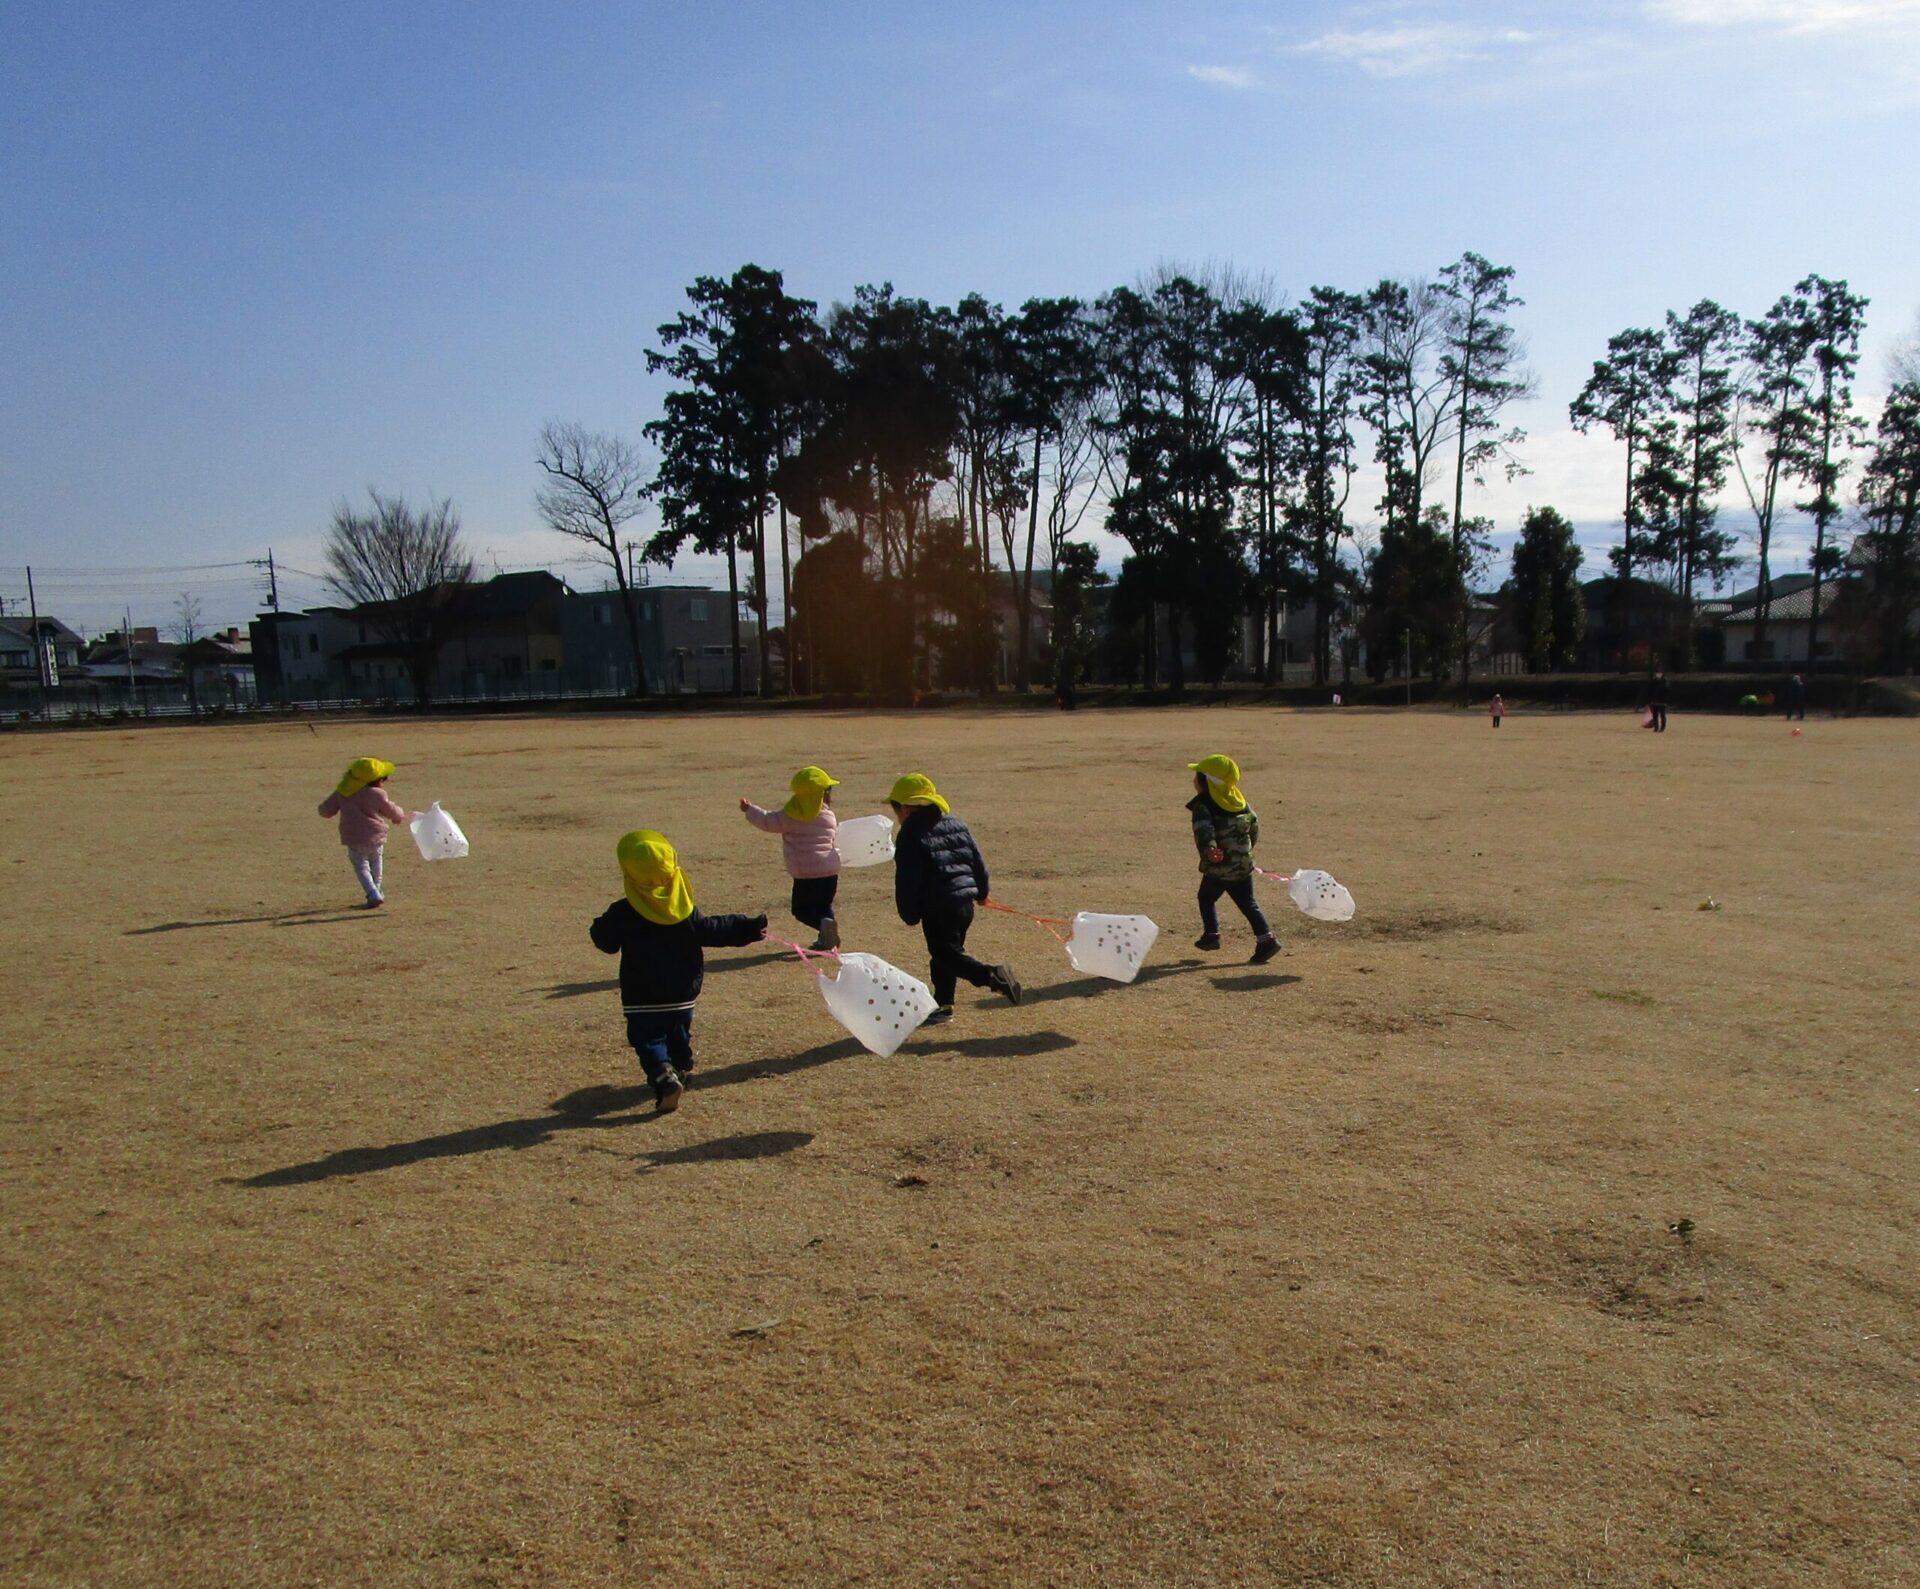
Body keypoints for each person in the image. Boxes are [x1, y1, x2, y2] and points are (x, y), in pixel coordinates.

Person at [589, 830, 767, 1114]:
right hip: (682, 992)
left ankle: (663, 1074)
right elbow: (714, 929)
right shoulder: (683, 910)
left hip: (642, 994)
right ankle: (682, 1067)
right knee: (677, 1032)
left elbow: (605, 941)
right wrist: (748, 927)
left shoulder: (623, 912)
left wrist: (599, 928)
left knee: (647, 1038)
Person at [887, 773, 1021, 1026]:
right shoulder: (955, 823)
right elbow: (977, 860)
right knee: (945, 955)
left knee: (946, 954)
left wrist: (909, 913)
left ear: (904, 807)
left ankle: (992, 976)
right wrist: (982, 892)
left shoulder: (910, 834)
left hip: (937, 906)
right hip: (964, 904)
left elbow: (908, 879)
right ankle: (943, 1004)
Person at [1187, 754, 1281, 965]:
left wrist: (1210, 850)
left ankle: (1212, 935)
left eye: (1197, 777)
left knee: (1206, 897)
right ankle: (1267, 940)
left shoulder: (1204, 805)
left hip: (1221, 867)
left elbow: (1204, 831)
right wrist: (1244, 852)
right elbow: (1254, 828)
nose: (1193, 781)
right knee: (1248, 902)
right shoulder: (1239, 801)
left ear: (1207, 782)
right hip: (1244, 864)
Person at [741, 765, 842, 951]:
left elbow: (767, 821)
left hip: (806, 872)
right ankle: (827, 934)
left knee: (801, 910)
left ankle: (824, 927)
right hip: (830, 870)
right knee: (824, 906)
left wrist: (749, 809)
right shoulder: (829, 815)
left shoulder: (790, 815)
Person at [317, 756, 419, 909]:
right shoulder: (377, 794)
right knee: (376, 862)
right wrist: (399, 815)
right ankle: (377, 889)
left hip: (353, 837)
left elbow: (325, 811)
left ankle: (372, 892)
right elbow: (391, 811)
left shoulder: (342, 792)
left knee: (361, 867)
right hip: (375, 835)